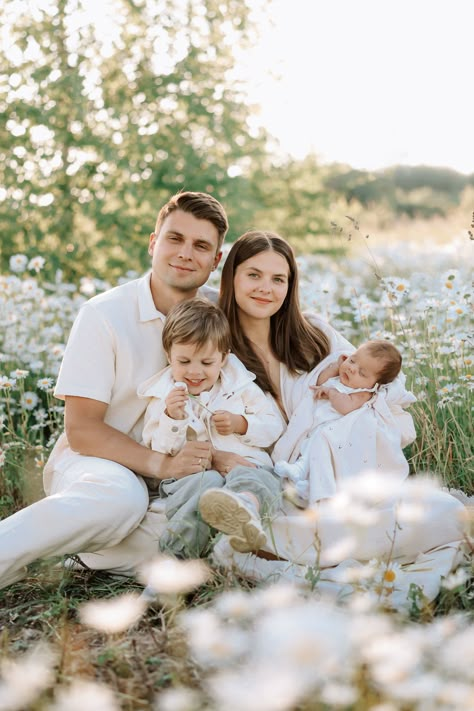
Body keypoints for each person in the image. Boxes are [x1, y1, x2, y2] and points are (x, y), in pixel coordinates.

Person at [211, 230, 465, 607]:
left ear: (290, 285)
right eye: (253, 274)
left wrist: (360, 405)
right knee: (250, 534)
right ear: (231, 277)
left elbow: (389, 387)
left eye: (278, 279)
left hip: (346, 485)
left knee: (446, 510)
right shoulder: (215, 348)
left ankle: (293, 556)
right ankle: (285, 549)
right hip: (280, 488)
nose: (266, 288)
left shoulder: (315, 335)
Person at [0, 191, 232, 589]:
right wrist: (162, 465)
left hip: (175, 484)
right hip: (100, 467)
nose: (185, 253)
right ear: (153, 243)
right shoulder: (104, 314)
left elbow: (290, 321)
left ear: (216, 261)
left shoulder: (221, 316)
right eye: (174, 238)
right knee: (121, 500)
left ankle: (75, 549)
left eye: (201, 246)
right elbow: (83, 431)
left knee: (191, 535)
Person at [137, 297, 283, 556]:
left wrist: (242, 424)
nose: (195, 372)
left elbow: (274, 427)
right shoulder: (163, 398)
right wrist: (173, 418)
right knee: (206, 485)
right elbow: (157, 447)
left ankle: (244, 509)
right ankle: (174, 560)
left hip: (245, 465)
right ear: (168, 355)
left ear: (224, 358)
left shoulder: (242, 388)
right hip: (192, 477)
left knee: (256, 479)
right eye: (184, 362)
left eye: (206, 363)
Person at [273, 340, 411, 505]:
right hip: (318, 426)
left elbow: (346, 406)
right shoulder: (340, 376)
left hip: (335, 433)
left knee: (319, 444)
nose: (352, 369)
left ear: (375, 384)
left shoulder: (363, 393)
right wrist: (335, 367)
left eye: (362, 373)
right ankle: (305, 480)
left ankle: (302, 471)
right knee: (311, 445)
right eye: (353, 360)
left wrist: (331, 393)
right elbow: (319, 381)